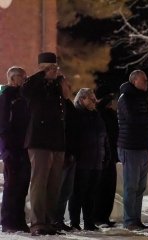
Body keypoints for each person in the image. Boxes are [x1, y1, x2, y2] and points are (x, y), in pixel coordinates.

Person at [22, 52, 67, 236]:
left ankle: (49, 221)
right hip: (39, 141)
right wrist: (42, 75)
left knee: (54, 184)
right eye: (51, 67)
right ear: (43, 68)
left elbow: (66, 100)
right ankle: (37, 223)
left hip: (57, 142)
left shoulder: (56, 86)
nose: (55, 70)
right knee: (39, 183)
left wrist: (62, 83)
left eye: (56, 67)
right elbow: (25, 91)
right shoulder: (34, 84)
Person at [117, 70, 148, 231]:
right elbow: (133, 119)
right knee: (131, 186)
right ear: (135, 81)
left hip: (143, 147)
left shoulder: (143, 98)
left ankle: (136, 219)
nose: (147, 82)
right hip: (130, 147)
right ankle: (129, 221)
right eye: (144, 80)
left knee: (140, 187)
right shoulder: (126, 98)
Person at [68, 88, 107, 231]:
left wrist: (106, 154)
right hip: (82, 161)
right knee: (78, 192)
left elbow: (104, 136)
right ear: (81, 99)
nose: (94, 102)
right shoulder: (76, 114)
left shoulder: (96, 115)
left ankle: (89, 222)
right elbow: (73, 137)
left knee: (91, 194)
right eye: (91, 99)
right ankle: (74, 222)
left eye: (94, 98)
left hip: (96, 160)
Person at [0, 66, 31, 233]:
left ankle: (19, 220)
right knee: (12, 185)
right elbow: (3, 124)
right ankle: (7, 221)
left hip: (23, 147)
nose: (25, 79)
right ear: (13, 79)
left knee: (23, 184)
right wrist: (8, 147)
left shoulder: (23, 97)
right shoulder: (6, 96)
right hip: (11, 148)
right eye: (22, 77)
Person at [54, 78, 78, 232]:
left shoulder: (69, 104)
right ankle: (53, 220)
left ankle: (59, 219)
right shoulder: (58, 104)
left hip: (72, 153)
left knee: (66, 191)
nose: (70, 88)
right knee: (58, 189)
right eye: (67, 85)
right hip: (62, 153)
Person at [93, 93, 118, 227]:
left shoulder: (111, 114)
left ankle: (105, 217)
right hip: (102, 155)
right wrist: (107, 98)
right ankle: (97, 217)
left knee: (110, 188)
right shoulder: (99, 112)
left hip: (111, 154)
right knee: (101, 188)